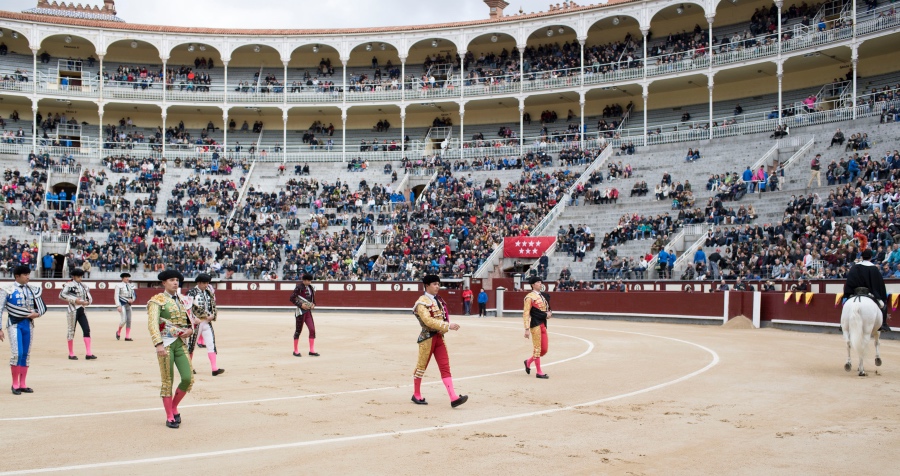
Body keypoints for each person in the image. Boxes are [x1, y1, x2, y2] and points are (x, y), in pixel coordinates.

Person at [411, 275, 467, 408]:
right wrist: (448, 326)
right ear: (427, 285)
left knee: (445, 366)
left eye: (438, 284)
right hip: (427, 338)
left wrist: (446, 327)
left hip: (439, 337)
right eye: (435, 284)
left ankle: (453, 397)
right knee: (421, 367)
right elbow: (428, 321)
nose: (437, 286)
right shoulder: (421, 303)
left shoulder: (438, 300)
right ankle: (416, 394)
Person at [148, 269, 194, 429]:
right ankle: (169, 415)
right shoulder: (156, 300)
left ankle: (174, 407)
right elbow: (153, 324)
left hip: (180, 343)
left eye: (177, 280)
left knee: (188, 378)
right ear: (164, 282)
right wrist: (158, 344)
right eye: (172, 280)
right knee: (168, 381)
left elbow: (189, 321)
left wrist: (190, 330)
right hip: (166, 343)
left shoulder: (183, 300)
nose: (175, 282)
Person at [1, 265, 47, 395]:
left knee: (26, 354)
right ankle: (15, 384)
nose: (28, 277)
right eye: (25, 275)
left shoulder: (33, 289)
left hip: (28, 324)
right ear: (17, 276)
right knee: (17, 353)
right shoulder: (7, 289)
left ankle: (23, 384)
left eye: (28, 274)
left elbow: (42, 307)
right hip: (14, 324)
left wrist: (36, 314)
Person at [844, 249, 891, 332]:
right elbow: (879, 284)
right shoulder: (874, 268)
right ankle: (883, 324)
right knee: (883, 305)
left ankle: (843, 324)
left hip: (855, 292)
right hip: (870, 292)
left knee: (846, 304)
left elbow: (849, 281)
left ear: (862, 257)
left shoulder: (855, 267)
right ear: (871, 257)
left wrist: (849, 292)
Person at [187, 274, 224, 376]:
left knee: (211, 344)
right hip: (196, 323)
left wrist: (212, 315)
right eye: (204, 283)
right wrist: (195, 318)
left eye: (207, 283)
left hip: (207, 323)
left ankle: (214, 369)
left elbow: (213, 305)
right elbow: (188, 307)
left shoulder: (208, 292)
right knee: (191, 346)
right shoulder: (191, 292)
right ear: (198, 283)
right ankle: (188, 368)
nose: (206, 285)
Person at [59, 268, 96, 360]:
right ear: (74, 277)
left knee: (86, 329)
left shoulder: (84, 286)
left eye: (81, 276)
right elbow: (61, 295)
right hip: (72, 310)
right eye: (79, 277)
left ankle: (88, 353)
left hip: (82, 310)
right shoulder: (69, 285)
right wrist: (74, 300)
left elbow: (89, 297)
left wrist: (87, 302)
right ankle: (71, 353)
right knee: (71, 331)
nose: (80, 278)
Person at [523, 276, 551, 379]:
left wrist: (549, 312)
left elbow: (547, 308)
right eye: (538, 282)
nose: (540, 283)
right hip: (535, 325)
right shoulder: (529, 297)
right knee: (538, 348)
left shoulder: (542, 296)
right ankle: (539, 372)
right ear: (533, 284)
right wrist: (526, 329)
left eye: (540, 282)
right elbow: (526, 313)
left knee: (544, 349)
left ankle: (528, 361)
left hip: (543, 324)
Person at [290, 273, 319, 357]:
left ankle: (312, 350)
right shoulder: (299, 287)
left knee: (312, 330)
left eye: (310, 281)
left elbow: (313, 299)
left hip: (308, 312)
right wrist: (301, 305)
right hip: (300, 312)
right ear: (304, 280)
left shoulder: (310, 287)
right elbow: (292, 298)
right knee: (298, 331)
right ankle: (295, 350)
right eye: (309, 281)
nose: (310, 282)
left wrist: (313, 304)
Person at [114, 272, 136, 341]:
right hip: (122, 304)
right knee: (123, 320)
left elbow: (134, 294)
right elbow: (116, 296)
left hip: (129, 305)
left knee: (129, 320)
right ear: (122, 278)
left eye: (128, 277)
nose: (127, 278)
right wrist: (118, 306)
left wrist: (132, 300)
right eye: (126, 277)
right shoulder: (118, 285)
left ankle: (127, 336)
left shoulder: (130, 285)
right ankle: (119, 331)